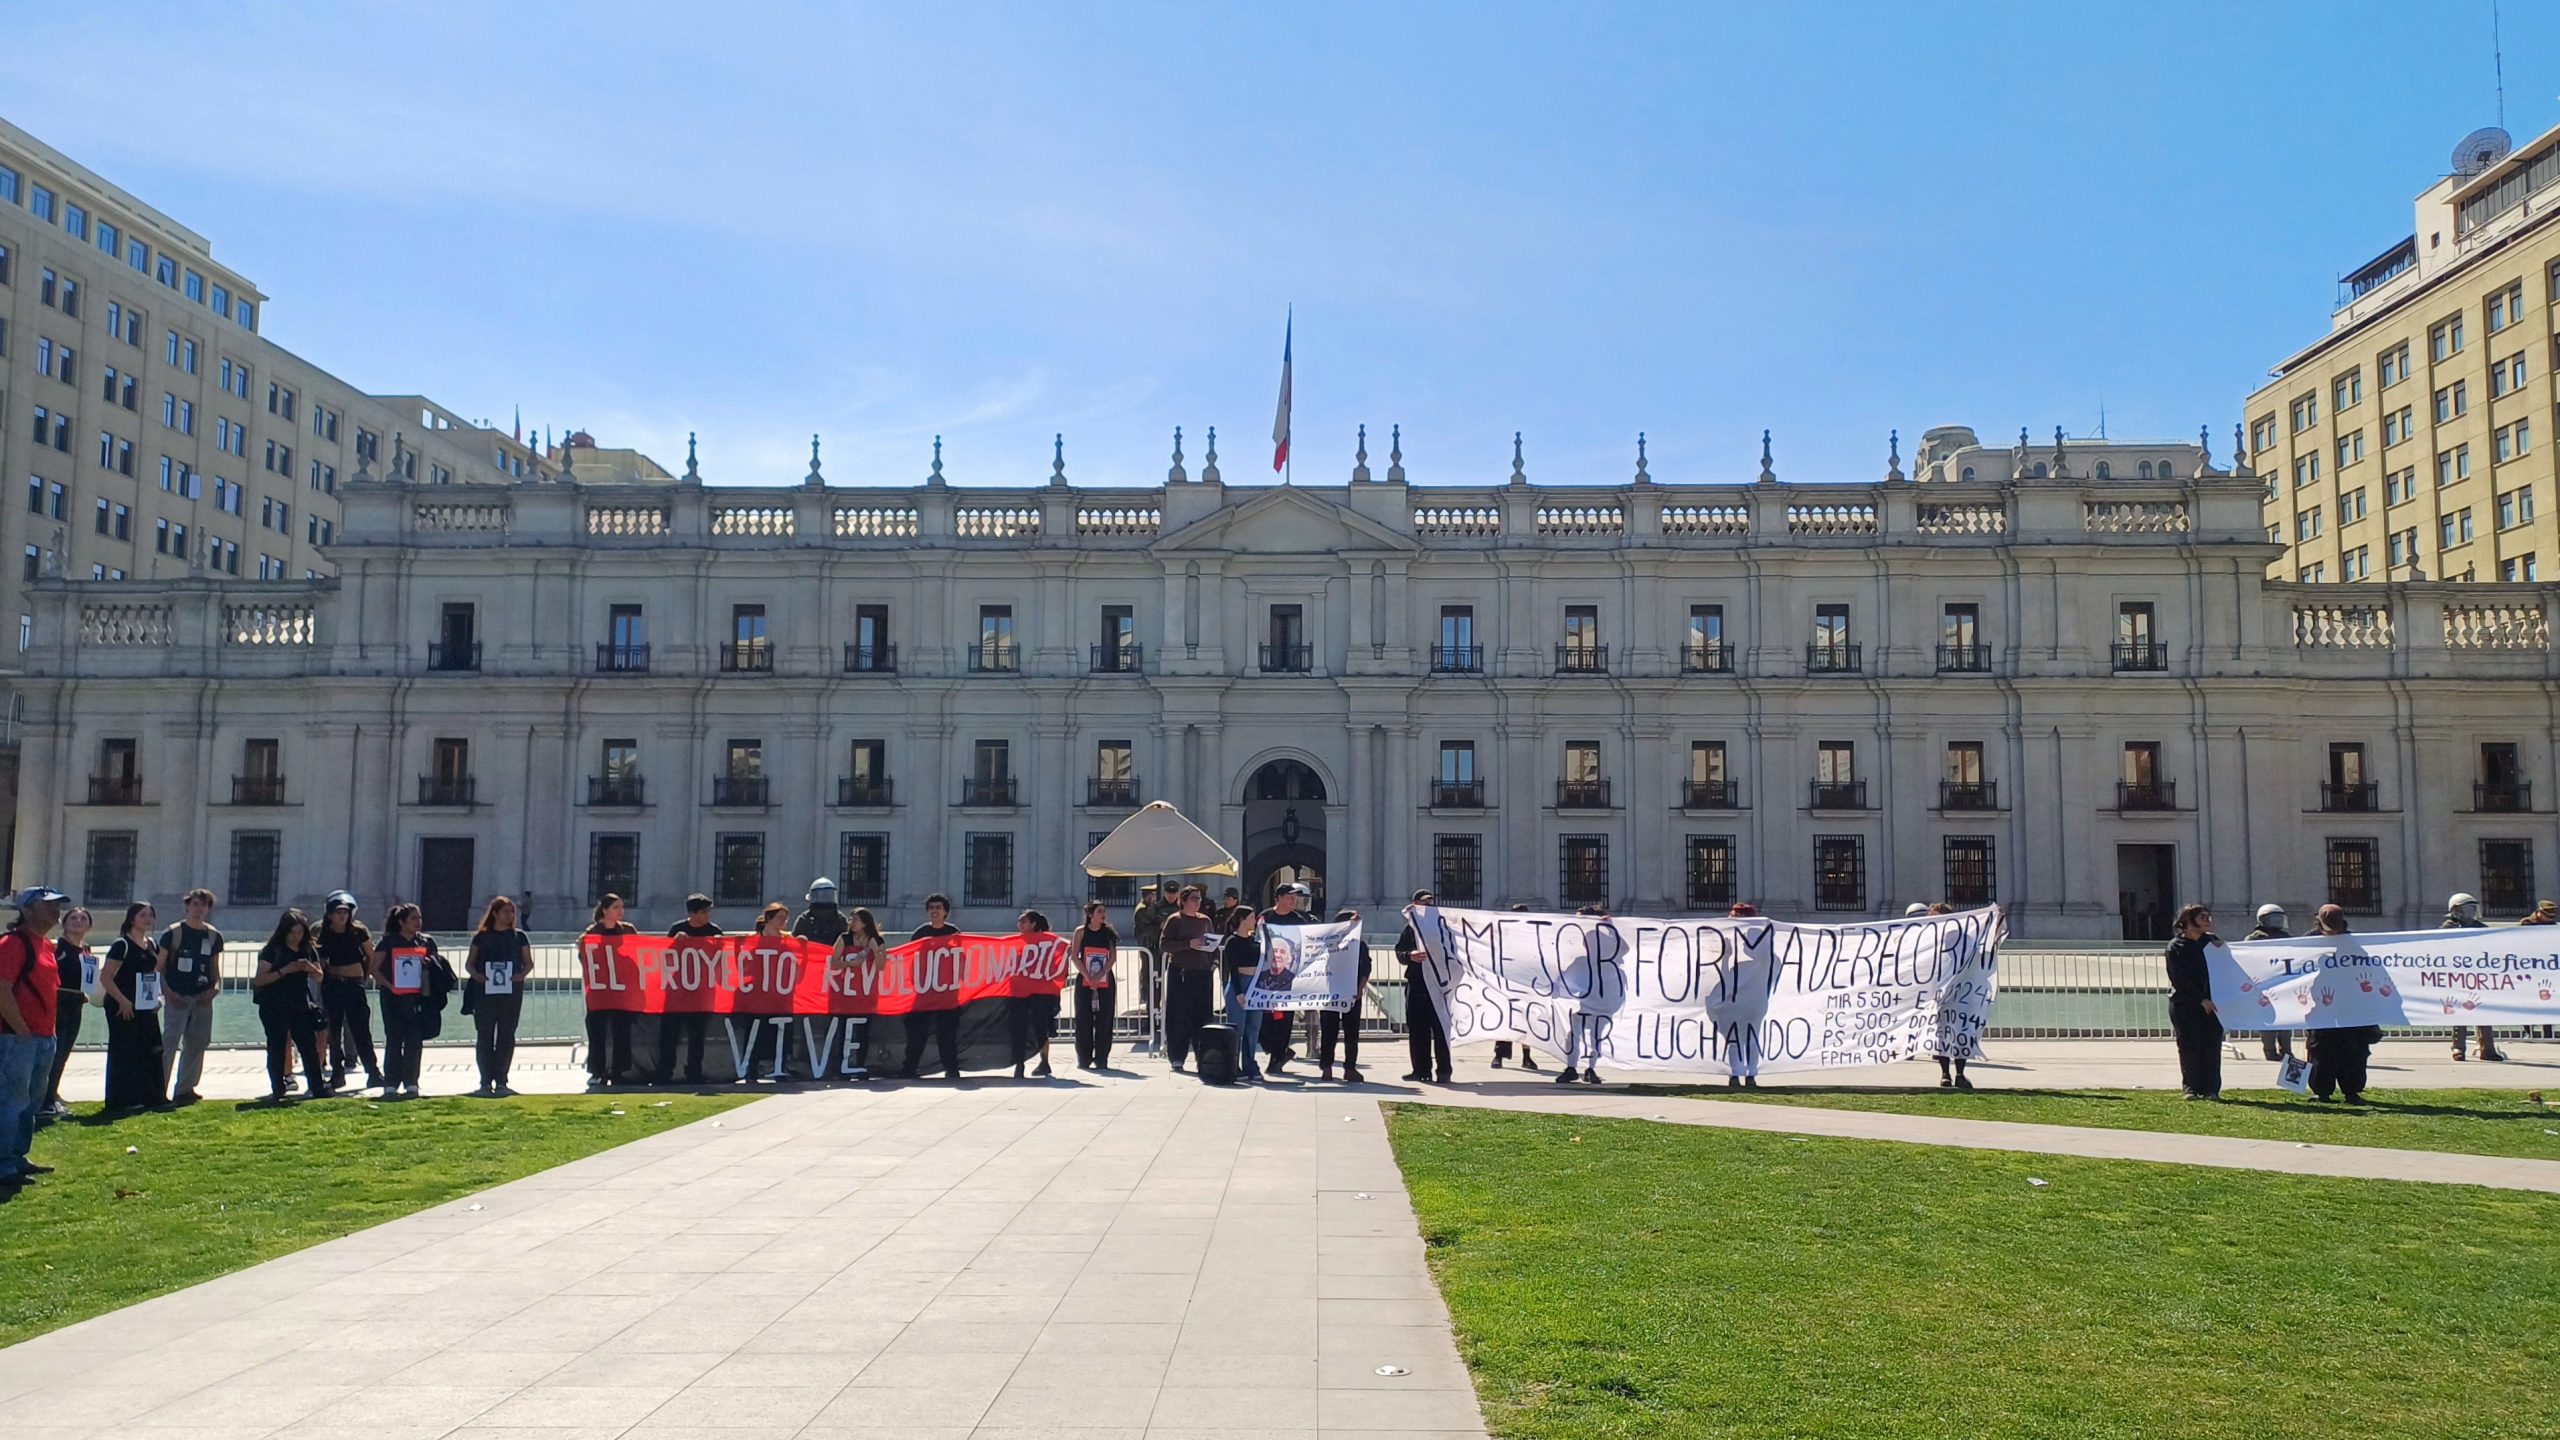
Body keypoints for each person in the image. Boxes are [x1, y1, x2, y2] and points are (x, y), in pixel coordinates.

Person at [0, 886, 67, 1184]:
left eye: (57, 904)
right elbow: (2, 991)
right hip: (17, 1039)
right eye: (47, 904)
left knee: (30, 1103)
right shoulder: (12, 944)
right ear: (26, 910)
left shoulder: (47, 946)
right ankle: (3, 1164)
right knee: (12, 1101)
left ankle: (17, 1157)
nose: (56, 910)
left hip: (43, 1037)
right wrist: (22, 1031)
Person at [2301, 904, 2380, 1104]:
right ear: (2319, 923)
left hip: (2351, 1006)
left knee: (2354, 1051)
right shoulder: (2309, 941)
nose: (2333, 932)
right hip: (2321, 1006)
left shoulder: (2353, 942)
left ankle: (2352, 1091)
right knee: (2321, 1050)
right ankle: (2322, 1091)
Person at [251, 909, 329, 1103]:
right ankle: (278, 1088)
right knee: (277, 1046)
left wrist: (310, 968)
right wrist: (284, 970)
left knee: (308, 1047)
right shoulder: (272, 950)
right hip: (274, 1005)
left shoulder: (307, 949)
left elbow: (319, 976)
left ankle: (317, 1087)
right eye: (292, 932)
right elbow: (259, 980)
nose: (296, 936)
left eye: (300, 932)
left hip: (300, 1003)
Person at [97, 902, 166, 1114]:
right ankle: (121, 1100)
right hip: (122, 1005)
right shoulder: (122, 945)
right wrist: (123, 1000)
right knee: (124, 1051)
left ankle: (151, 1096)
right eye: (142, 915)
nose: (147, 919)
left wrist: (157, 997)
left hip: (145, 1004)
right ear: (132, 918)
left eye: (150, 915)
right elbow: (106, 977)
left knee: (151, 1049)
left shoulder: (151, 943)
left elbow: (153, 973)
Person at [158, 887, 223, 1105]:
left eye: (203, 905)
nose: (198, 908)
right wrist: (168, 993)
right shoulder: (173, 933)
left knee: (198, 1042)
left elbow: (214, 967)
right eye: (195, 904)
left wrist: (215, 988)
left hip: (203, 997)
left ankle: (185, 1088)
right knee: (169, 1041)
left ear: (208, 908)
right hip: (177, 995)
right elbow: (159, 967)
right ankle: (158, 1089)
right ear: (187, 906)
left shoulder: (213, 936)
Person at [373, 903, 442, 1099]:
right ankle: (390, 1083)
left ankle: (412, 1082)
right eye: (413, 918)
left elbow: (437, 965)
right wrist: (390, 986)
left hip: (418, 997)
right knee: (394, 1039)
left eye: (419, 918)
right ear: (402, 922)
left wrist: (430, 963)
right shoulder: (388, 942)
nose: (418, 922)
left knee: (414, 1040)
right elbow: (374, 969)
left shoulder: (426, 942)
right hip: (392, 997)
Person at [316, 892, 383, 1092]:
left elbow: (371, 955)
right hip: (333, 984)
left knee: (361, 1030)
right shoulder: (324, 933)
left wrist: (365, 976)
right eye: (338, 912)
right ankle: (337, 1073)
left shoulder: (358, 931)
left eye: (345, 912)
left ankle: (373, 1072)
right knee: (334, 1031)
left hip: (354, 984)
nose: (342, 916)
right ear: (330, 914)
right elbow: (321, 959)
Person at [469, 896, 533, 1096]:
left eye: (512, 911)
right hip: (485, 993)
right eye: (505, 911)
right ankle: (485, 1080)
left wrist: (521, 975)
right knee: (485, 1035)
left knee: (506, 1035)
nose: (510, 915)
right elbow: (470, 962)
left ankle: (502, 1079)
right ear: (495, 913)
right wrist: (477, 975)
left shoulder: (519, 937)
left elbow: (528, 962)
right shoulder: (481, 937)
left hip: (511, 992)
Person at [897, 894, 964, 1081]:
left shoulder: (953, 933)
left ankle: (951, 1068)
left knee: (947, 1034)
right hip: (924, 991)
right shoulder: (920, 933)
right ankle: (909, 1068)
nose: (934, 911)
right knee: (917, 1033)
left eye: (938, 908)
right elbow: (911, 959)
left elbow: (961, 959)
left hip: (947, 993)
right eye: (931, 908)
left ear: (945, 912)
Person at [658, 895, 722, 1085]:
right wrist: (674, 942)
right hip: (677, 991)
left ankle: (694, 1072)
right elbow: (665, 957)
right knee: (669, 1035)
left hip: (701, 992)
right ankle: (664, 1072)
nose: (707, 915)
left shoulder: (714, 931)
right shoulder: (677, 929)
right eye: (704, 912)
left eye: (709, 911)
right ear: (692, 913)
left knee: (697, 1036)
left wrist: (720, 945)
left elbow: (721, 962)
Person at [2164, 902, 2223, 1101]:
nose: (2207, 920)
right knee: (2189, 1046)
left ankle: (2211, 1089)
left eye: (2208, 916)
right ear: (2187, 922)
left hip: (2212, 1005)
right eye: (2201, 917)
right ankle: (2191, 1088)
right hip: (2185, 1004)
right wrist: (2200, 999)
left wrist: (2223, 949)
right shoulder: (2175, 946)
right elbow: (2179, 979)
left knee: (2211, 1046)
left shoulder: (2212, 943)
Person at [2439, 892, 2507, 1061]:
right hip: (2458, 976)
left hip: (2478, 976)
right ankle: (2458, 1048)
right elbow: (2441, 948)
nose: (2471, 912)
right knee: (2459, 1012)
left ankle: (2487, 1048)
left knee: (2483, 1011)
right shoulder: (2448, 928)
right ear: (2456, 910)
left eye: (2473, 908)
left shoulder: (2481, 928)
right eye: (2467, 908)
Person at [583, 894, 640, 1088]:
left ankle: (619, 1072)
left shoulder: (628, 930)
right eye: (616, 907)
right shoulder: (593, 932)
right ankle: (597, 1071)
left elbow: (637, 953)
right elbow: (586, 958)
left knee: (622, 1032)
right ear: (605, 910)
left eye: (621, 907)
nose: (620, 911)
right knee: (597, 1032)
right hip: (600, 991)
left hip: (621, 990)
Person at [41, 906, 93, 1120]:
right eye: (73, 918)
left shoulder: (86, 949)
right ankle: (44, 1100)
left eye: (83, 918)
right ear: (64, 922)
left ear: (89, 925)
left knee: (64, 1053)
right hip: (58, 1004)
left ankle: (53, 1093)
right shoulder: (56, 946)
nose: (78, 921)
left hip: (76, 1004)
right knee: (55, 1052)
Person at [1160, 886, 1219, 1071]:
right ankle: (1177, 1056)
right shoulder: (1175, 920)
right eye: (1194, 898)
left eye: (1199, 898)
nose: (1197, 902)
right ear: (1183, 900)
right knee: (1179, 1016)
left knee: (1203, 1016)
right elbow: (1164, 944)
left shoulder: (1205, 920)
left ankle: (1203, 1057)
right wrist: (1188, 944)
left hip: (1202, 973)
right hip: (1181, 972)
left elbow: (1214, 945)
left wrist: (1214, 963)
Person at [1396, 893, 1452, 1083]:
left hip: (1438, 986)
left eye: (1430, 903)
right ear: (1414, 904)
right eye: (1423, 903)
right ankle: (1421, 1070)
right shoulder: (1410, 929)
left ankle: (1444, 1071)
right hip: (1417, 984)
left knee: (1441, 1030)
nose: (1427, 906)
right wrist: (1410, 955)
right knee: (1418, 1030)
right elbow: (1400, 952)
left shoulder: (1442, 927)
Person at [828, 907, 889, 1080]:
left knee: (863, 1031)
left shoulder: (877, 940)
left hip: (866, 992)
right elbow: (833, 961)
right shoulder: (844, 938)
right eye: (851, 919)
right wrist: (849, 964)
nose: (851, 923)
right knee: (844, 1030)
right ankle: (842, 1066)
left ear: (865, 923)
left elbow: (881, 966)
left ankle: (860, 1065)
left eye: (855, 920)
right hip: (847, 992)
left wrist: (875, 950)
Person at [1258, 884, 1312, 1073]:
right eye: (1289, 897)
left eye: (1294, 898)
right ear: (1279, 897)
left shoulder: (1298, 920)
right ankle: (1279, 1052)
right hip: (1267, 977)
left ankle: (1277, 1058)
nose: (1293, 901)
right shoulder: (1265, 917)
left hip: (1288, 978)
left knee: (1283, 1021)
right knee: (1264, 1023)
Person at [1314, 908, 1368, 1084]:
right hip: (1330, 992)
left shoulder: (1360, 944)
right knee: (1329, 1031)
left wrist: (1360, 988)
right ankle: (1326, 1066)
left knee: (1351, 1033)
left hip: (1352, 993)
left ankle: (1350, 1068)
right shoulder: (1328, 943)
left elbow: (1366, 967)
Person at [2241, 903, 2296, 1061]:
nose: (2277, 921)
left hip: (2283, 983)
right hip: (2264, 985)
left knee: (2286, 1019)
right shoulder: (2254, 939)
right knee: (2268, 1019)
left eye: (2279, 918)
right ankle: (2270, 1051)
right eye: (2273, 918)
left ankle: (2287, 1051)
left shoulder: (2287, 938)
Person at [1493, 901, 1542, 1073]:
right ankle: (1498, 1055)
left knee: (1526, 1020)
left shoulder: (1532, 935)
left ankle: (1526, 1056)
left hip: (1527, 982)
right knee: (1505, 1019)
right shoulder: (1505, 933)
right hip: (1508, 982)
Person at [1010, 909, 1059, 1080]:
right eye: (1019, 921)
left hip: (1041, 992)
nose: (1020, 925)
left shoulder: (1046, 943)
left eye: (1024, 921)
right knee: (1019, 1028)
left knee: (1041, 1027)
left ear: (1033, 924)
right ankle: (1019, 1063)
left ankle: (1044, 1061)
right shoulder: (1016, 942)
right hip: (1019, 992)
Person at [1072, 900, 1119, 1071]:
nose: (1103, 914)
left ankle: (1102, 1057)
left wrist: (1100, 974)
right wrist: (1087, 975)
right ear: (1090, 915)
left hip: (1105, 979)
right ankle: (1084, 1057)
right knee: (1083, 1018)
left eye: (1104, 911)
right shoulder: (1080, 932)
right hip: (1085, 978)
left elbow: (1112, 957)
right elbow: (1075, 956)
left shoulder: (1108, 933)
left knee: (1104, 1019)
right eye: (1099, 911)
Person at [1221, 906, 1266, 1082]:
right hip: (1239, 984)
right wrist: (1239, 992)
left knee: (1253, 1028)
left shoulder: (1256, 942)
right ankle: (1233, 1065)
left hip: (1255, 986)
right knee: (1237, 1029)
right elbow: (1233, 969)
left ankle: (1250, 1065)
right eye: (1251, 918)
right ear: (1242, 919)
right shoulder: (1232, 941)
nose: (1254, 921)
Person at [1130, 885, 1163, 1035]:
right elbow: (1144, 930)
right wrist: (1160, 926)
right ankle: (1151, 1016)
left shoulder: (1150, 908)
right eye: (1154, 895)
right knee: (1152, 982)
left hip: (1154, 950)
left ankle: (1155, 1012)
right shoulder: (1143, 910)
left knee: (1156, 982)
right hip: (1149, 949)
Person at [791, 878, 850, 946]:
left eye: (827, 896)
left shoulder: (840, 919)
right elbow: (795, 939)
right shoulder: (804, 918)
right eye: (821, 896)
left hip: (833, 952)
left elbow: (846, 940)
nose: (824, 899)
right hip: (810, 952)